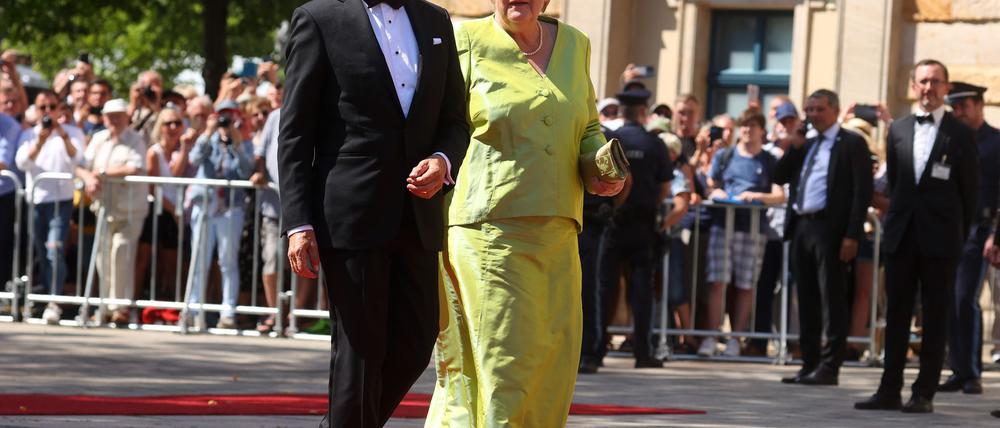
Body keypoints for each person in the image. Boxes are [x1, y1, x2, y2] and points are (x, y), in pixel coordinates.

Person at [426, 1, 622, 426]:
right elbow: (441, 123)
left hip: (559, 229)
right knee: (503, 365)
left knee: (553, 362)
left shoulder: (576, 44)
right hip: (488, 231)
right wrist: (438, 163)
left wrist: (598, 166)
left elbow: (587, 126)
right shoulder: (466, 40)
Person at [278, 0, 469, 426]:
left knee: (417, 343)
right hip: (350, 215)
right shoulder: (320, 19)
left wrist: (442, 159)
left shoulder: (435, 20)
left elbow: (456, 119)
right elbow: (295, 133)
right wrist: (298, 222)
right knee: (360, 354)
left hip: (418, 214)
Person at [855, 59, 979, 414]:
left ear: (946, 87)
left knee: (935, 316)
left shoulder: (961, 133)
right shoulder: (899, 129)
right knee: (897, 314)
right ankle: (888, 388)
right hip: (902, 236)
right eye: (923, 81)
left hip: (941, 240)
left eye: (936, 82)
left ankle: (923, 391)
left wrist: (957, 234)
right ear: (913, 86)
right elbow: (896, 186)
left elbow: (969, 194)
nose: (929, 88)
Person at [773, 89, 873, 386]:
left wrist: (852, 235)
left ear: (834, 110)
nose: (813, 115)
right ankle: (810, 362)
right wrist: (793, 147)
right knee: (806, 297)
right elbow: (779, 176)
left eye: (819, 109)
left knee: (832, 297)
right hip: (802, 226)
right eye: (809, 109)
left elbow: (861, 191)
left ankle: (830, 365)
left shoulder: (851, 143)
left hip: (831, 228)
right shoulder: (807, 143)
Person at [699, 107, 784, 358]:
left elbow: (780, 195)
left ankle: (736, 338)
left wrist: (757, 196)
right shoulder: (725, 156)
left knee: (746, 285)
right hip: (723, 225)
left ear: (762, 130)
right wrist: (715, 194)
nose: (747, 130)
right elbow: (710, 186)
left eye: (752, 125)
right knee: (717, 282)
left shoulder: (769, 161)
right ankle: (712, 336)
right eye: (743, 125)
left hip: (753, 229)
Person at [597, 88, 672, 369]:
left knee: (604, 288)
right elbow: (665, 187)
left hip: (614, 222)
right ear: (644, 111)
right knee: (641, 291)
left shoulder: (611, 140)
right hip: (642, 225)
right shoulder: (654, 144)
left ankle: (594, 351)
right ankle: (643, 351)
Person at [938, 82, 1000, 395]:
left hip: (981, 230)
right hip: (951, 228)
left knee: (966, 299)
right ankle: (958, 369)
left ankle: (972, 372)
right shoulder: (952, 141)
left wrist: (995, 233)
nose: (958, 113)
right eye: (954, 107)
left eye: (964, 106)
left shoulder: (996, 142)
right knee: (949, 299)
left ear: (979, 105)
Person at [76, 99, 149, 324]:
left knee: (122, 251)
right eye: (110, 116)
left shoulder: (136, 139)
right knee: (103, 257)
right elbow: (79, 165)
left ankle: (121, 306)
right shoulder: (98, 140)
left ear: (126, 117)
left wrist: (103, 173)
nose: (114, 120)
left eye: (119, 115)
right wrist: (89, 177)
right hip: (104, 208)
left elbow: (134, 166)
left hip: (130, 209)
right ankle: (106, 306)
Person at [15, 91, 85, 323]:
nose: (47, 112)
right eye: (42, 107)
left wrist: (62, 134)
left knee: (54, 249)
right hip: (36, 201)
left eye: (52, 107)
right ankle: (47, 295)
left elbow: (78, 159)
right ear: (36, 110)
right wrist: (40, 141)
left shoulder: (72, 133)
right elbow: (22, 162)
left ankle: (55, 299)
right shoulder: (28, 134)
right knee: (42, 253)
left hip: (61, 201)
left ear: (59, 108)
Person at [185, 101, 254, 330]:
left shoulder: (243, 142)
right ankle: (194, 310)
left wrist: (237, 144)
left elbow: (246, 171)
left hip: (230, 207)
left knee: (227, 260)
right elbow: (194, 159)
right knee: (199, 259)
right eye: (221, 116)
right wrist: (208, 132)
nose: (225, 121)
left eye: (230, 116)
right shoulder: (208, 140)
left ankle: (228, 311)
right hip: (205, 204)